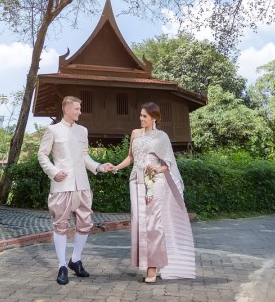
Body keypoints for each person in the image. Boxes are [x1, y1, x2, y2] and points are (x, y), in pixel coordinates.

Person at [112, 102, 195, 283]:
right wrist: (115, 168)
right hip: (136, 180)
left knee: (153, 222)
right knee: (139, 221)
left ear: (154, 118)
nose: (141, 119)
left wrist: (157, 170)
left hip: (154, 181)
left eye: (145, 117)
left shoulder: (161, 137)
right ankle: (145, 262)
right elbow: (131, 158)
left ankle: (153, 266)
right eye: (140, 115)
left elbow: (168, 165)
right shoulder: (135, 133)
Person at [38, 95, 113, 285]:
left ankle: (76, 260)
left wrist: (98, 167)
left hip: (83, 185)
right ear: (66, 109)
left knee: (85, 224)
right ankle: (62, 266)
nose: (80, 112)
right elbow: (42, 155)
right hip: (62, 185)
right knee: (60, 225)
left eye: (80, 108)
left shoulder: (83, 131)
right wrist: (53, 172)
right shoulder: (52, 130)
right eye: (77, 109)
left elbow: (84, 157)